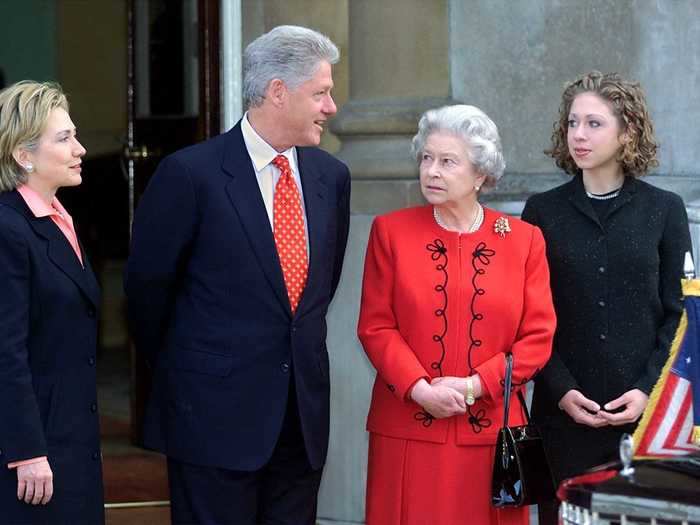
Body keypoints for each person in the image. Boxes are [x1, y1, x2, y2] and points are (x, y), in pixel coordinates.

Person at [125, 25, 350, 525]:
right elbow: (146, 296)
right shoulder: (190, 174)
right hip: (211, 425)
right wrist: (200, 373)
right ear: (277, 91)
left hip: (301, 425)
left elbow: (316, 294)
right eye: (320, 93)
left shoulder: (331, 178)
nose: (331, 107)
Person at [357, 104, 556, 525]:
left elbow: (537, 338)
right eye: (426, 158)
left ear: (480, 174)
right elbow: (376, 326)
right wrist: (419, 389)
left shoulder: (524, 240)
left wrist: (474, 385)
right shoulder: (390, 232)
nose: (432, 171)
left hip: (493, 438)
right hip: (407, 430)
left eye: (448, 162)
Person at [521, 71, 692, 524]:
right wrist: (560, 390)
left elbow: (680, 315)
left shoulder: (665, 210)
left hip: (645, 419)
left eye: (594, 124)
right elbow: (528, 314)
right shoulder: (542, 211)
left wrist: (647, 390)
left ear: (627, 131)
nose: (578, 134)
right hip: (563, 419)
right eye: (573, 122)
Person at [0, 81, 104, 523]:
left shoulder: (59, 217)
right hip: (33, 455)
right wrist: (27, 452)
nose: (79, 149)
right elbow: (6, 351)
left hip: (70, 439)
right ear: (24, 156)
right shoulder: (7, 228)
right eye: (64, 139)